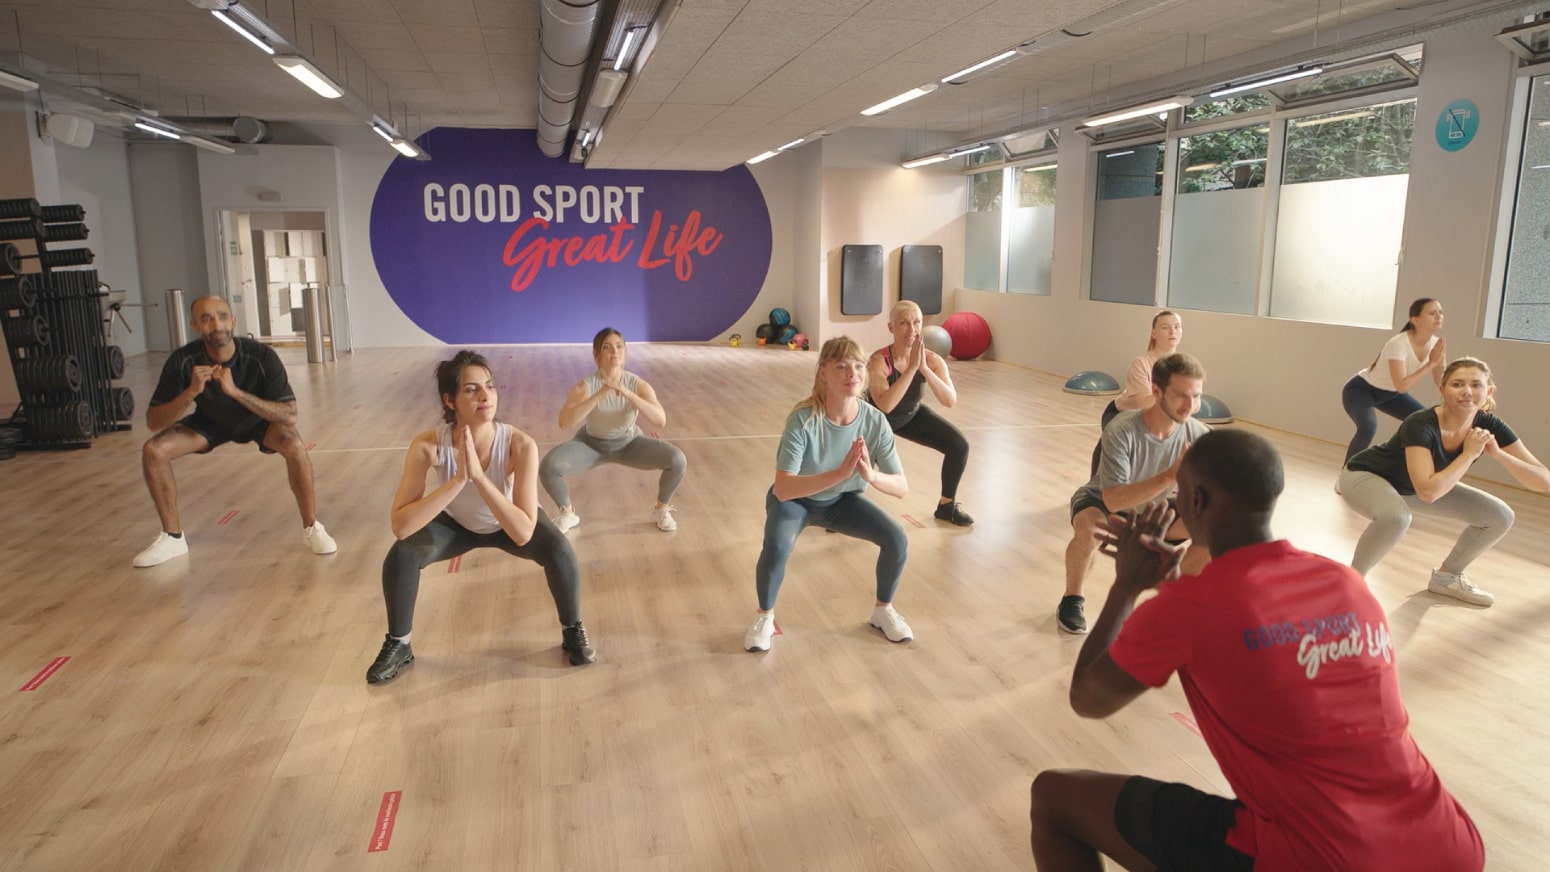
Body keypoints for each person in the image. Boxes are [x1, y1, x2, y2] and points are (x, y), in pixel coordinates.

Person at [1030, 429, 1485, 872]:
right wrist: (1172, 587)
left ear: (1195, 501)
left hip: (1322, 855)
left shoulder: (1191, 607)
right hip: (1449, 844)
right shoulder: (1345, 581)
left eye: (1179, 495)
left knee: (1054, 797)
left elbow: (1088, 698)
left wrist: (1127, 587)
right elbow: (1249, 631)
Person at [367, 350, 594, 684]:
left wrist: (480, 478)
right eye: (471, 390)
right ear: (450, 400)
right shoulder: (427, 446)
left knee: (560, 551)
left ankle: (572, 629)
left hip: (508, 523)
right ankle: (399, 644)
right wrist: (459, 480)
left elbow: (522, 533)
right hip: (456, 525)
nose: (486, 396)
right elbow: (401, 526)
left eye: (489, 386)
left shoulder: (520, 444)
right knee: (401, 556)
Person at [134, 294, 336, 567]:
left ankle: (311, 527)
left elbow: (290, 415)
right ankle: (172, 537)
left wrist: (236, 392)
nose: (217, 325)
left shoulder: (260, 356)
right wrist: (191, 391)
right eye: (207, 319)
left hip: (258, 421)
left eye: (222, 317)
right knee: (153, 450)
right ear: (194, 325)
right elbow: (154, 421)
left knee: (295, 445)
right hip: (209, 422)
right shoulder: (182, 361)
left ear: (233, 321)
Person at [744, 336, 913, 652]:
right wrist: (838, 474)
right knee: (777, 546)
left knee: (896, 539)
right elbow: (783, 488)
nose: (853, 374)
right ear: (823, 372)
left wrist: (871, 476)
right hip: (795, 502)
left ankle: (883, 610)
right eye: (842, 367)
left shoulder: (875, 421)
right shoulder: (803, 419)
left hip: (843, 502)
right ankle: (765, 616)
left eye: (859, 366)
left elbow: (901, 486)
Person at [1339, 357, 1549, 606]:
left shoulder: (1489, 425)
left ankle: (1446, 578)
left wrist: (1498, 454)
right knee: (1396, 517)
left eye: (1476, 385)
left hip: (1411, 487)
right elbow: (1428, 493)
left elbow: (1544, 481)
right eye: (1457, 384)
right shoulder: (1420, 423)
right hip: (1365, 476)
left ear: (1489, 391)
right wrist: (1469, 453)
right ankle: (1350, 585)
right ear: (1443, 389)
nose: (1467, 391)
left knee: (1499, 516)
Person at [1059, 353, 1210, 634]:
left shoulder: (1201, 435)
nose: (1190, 405)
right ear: (1156, 391)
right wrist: (1169, 476)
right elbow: (1113, 499)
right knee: (1090, 530)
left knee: (1212, 530)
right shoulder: (1122, 430)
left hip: (1157, 508)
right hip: (1103, 501)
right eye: (1180, 395)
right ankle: (1072, 599)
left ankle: (1173, 604)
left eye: (1196, 396)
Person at [540, 328, 688, 534]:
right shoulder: (584, 387)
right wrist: (600, 394)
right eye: (607, 347)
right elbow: (565, 422)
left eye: (619, 346)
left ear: (625, 352)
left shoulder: (639, 385)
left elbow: (660, 420)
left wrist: (627, 393)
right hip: (591, 445)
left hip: (630, 444)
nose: (614, 352)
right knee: (548, 467)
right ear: (596, 354)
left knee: (677, 460)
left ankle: (660, 510)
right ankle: (568, 513)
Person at [867, 300, 973, 526]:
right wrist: (912, 369)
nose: (912, 329)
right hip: (875, 422)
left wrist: (924, 368)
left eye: (916, 322)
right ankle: (839, 506)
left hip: (909, 417)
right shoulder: (879, 361)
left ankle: (946, 507)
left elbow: (949, 400)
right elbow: (885, 405)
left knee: (958, 445)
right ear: (891, 328)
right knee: (859, 465)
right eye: (904, 323)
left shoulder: (932, 359)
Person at [1341, 297, 1446, 462]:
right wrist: (1431, 364)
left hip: (1390, 394)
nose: (1439, 316)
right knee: (1368, 427)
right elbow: (1402, 386)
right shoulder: (1398, 344)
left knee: (1425, 422)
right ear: (1415, 320)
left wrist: (1452, 401)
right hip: (1361, 390)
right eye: (1432, 313)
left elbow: (1441, 379)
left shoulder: (1436, 344)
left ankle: (1400, 466)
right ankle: (1346, 472)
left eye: (1440, 312)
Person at [1089, 310, 1182, 476]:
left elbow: (1191, 403)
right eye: (1165, 327)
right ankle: (1098, 485)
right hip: (1122, 414)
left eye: (1176, 327)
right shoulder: (1140, 363)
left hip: (1159, 417)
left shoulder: (1184, 367)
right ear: (1154, 333)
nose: (1172, 332)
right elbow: (1145, 403)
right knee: (1114, 441)